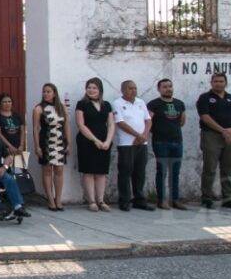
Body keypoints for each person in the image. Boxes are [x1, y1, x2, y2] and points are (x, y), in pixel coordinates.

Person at [197, 72, 231, 210]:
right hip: (211, 135)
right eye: (215, 81)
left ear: (225, 83)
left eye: (221, 81)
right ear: (211, 83)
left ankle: (228, 198)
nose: (218, 83)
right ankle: (206, 197)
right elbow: (205, 117)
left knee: (227, 168)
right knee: (210, 168)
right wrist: (223, 130)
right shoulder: (205, 98)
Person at [111, 80, 155, 212]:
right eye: (130, 88)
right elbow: (120, 122)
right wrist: (137, 135)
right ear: (123, 90)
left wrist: (144, 135)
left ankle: (139, 200)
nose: (134, 91)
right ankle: (124, 200)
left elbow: (148, 120)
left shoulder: (141, 102)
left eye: (135, 88)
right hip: (126, 144)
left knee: (140, 172)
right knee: (125, 171)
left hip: (142, 143)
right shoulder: (117, 103)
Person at [146, 78, 187, 210]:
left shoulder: (180, 104)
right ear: (159, 89)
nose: (168, 89)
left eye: (170, 86)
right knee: (162, 171)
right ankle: (161, 200)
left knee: (175, 172)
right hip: (160, 142)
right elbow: (148, 121)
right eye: (164, 87)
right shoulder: (154, 104)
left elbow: (182, 122)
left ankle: (175, 199)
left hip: (177, 141)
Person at [75, 78, 114, 212]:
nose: (91, 90)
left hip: (104, 141)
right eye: (89, 87)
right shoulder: (81, 104)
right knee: (89, 171)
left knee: (101, 172)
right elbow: (81, 125)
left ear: (100, 90)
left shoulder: (107, 105)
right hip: (87, 141)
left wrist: (108, 141)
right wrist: (95, 140)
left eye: (94, 88)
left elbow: (111, 124)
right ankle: (91, 200)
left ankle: (101, 200)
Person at [31, 83, 69, 211]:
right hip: (46, 142)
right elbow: (36, 129)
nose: (45, 94)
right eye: (44, 91)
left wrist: (68, 143)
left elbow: (66, 126)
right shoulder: (38, 109)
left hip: (59, 141)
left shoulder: (61, 107)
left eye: (48, 91)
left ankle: (58, 199)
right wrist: (37, 146)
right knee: (47, 171)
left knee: (59, 170)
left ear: (54, 93)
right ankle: (50, 199)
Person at [0, 94, 25, 170]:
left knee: (18, 170)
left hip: (18, 148)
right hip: (4, 148)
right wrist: (9, 146)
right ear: (0, 104)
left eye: (9, 101)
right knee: (7, 170)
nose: (7, 103)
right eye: (4, 102)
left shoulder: (17, 115)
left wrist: (21, 145)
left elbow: (22, 131)